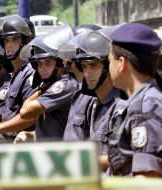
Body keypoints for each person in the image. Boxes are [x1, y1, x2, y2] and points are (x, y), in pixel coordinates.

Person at [61, 25, 125, 172]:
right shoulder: (94, 104)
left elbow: (124, 158)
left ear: (108, 67)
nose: (87, 73)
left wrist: (79, 160)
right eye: (84, 67)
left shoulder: (120, 105)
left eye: (93, 66)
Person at [108, 23, 162, 177]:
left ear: (122, 64)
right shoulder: (143, 101)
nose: (108, 66)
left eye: (109, 60)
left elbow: (147, 177)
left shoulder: (145, 107)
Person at [0, 15, 36, 142]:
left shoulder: (31, 73)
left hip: (23, 144)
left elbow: (30, 117)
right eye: (6, 41)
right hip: (9, 142)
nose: (9, 45)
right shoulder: (16, 74)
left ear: (25, 41)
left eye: (14, 39)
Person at [15, 24, 77, 141]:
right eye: (39, 64)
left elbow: (25, 112)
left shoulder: (64, 85)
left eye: (48, 63)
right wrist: (31, 135)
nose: (42, 69)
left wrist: (42, 88)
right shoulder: (52, 84)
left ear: (61, 64)